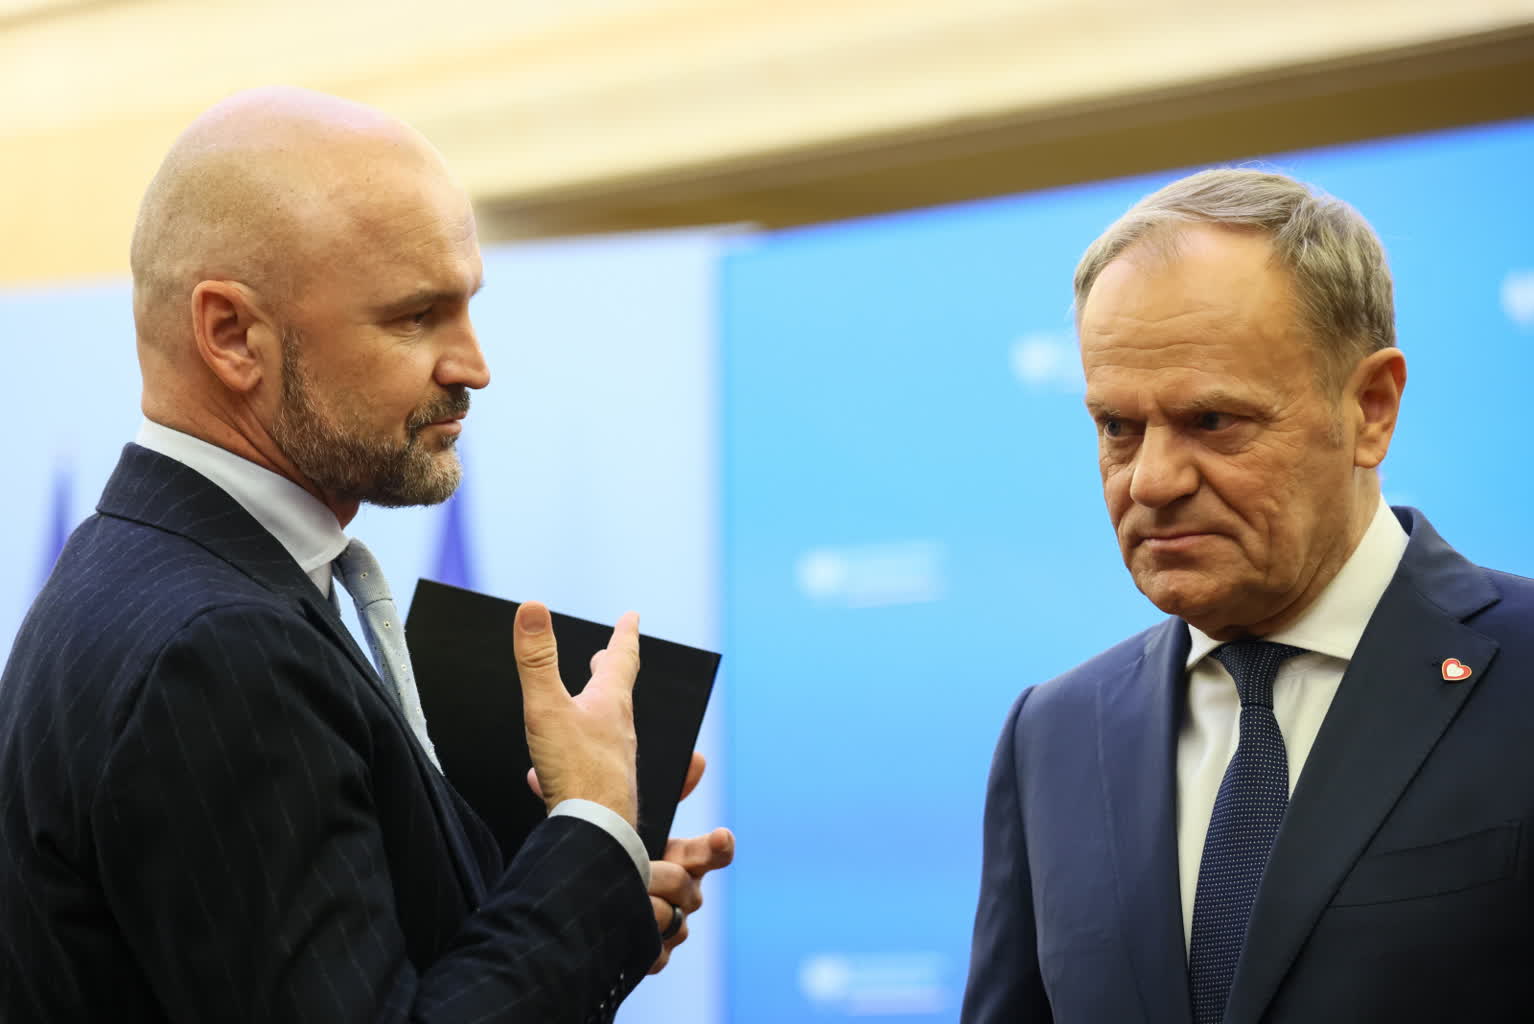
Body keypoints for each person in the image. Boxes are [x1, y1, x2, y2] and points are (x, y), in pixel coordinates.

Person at [0, 86, 732, 1023]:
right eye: (416, 316)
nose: (473, 366)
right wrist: (591, 827)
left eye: (467, 306)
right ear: (231, 334)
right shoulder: (217, 649)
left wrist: (599, 897)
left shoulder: (166, 576)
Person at [962, 169, 1534, 1022]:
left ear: (1371, 408)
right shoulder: (1054, 733)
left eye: (1212, 421)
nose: (1151, 481)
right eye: (1118, 427)